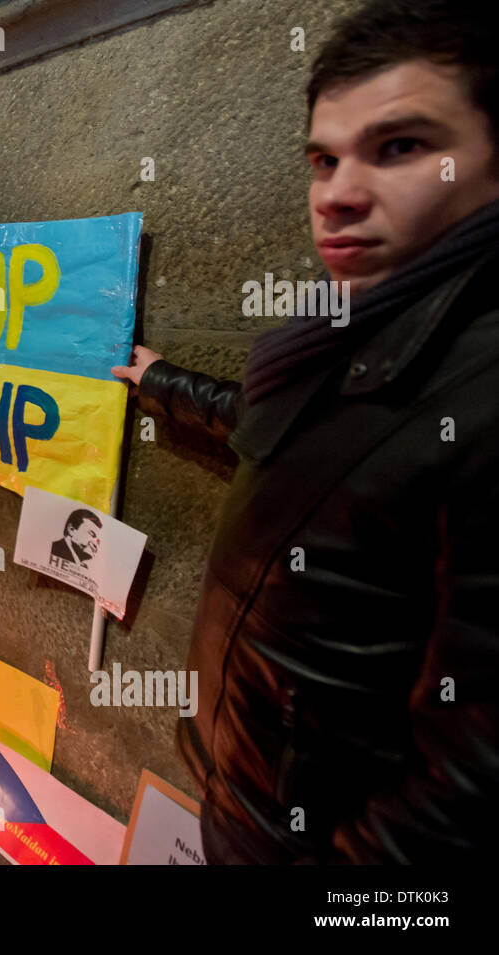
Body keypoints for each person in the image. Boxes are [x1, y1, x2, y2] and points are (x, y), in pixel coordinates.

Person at [110, 0, 499, 863]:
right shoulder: (364, 327)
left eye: (400, 147)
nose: (338, 194)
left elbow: (470, 792)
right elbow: (304, 443)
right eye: (324, 159)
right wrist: (163, 385)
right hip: (248, 800)